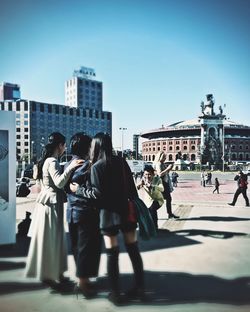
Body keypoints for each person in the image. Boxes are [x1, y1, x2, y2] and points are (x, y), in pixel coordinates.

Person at [70, 133, 145, 305]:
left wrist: (78, 190)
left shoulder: (97, 166)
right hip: (126, 211)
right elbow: (132, 189)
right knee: (133, 250)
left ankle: (116, 294)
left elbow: (96, 194)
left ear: (95, 147)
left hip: (108, 214)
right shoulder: (121, 161)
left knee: (113, 253)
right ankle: (139, 288)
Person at [25, 132, 83, 291]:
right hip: (52, 204)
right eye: (64, 145)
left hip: (47, 203)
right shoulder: (52, 161)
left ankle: (53, 273)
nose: (65, 148)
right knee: (54, 240)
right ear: (60, 145)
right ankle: (53, 275)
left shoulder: (47, 161)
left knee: (50, 240)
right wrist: (70, 167)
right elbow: (59, 182)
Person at [64, 133, 102, 298]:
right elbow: (93, 191)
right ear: (88, 148)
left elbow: (64, 187)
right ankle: (83, 284)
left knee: (76, 247)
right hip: (86, 213)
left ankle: (82, 280)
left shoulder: (67, 164)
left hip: (71, 213)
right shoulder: (88, 166)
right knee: (86, 248)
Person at [137, 165, 164, 230]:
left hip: (158, 200)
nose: (147, 176)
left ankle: (155, 227)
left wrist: (152, 186)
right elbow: (137, 188)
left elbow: (162, 189)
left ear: (153, 174)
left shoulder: (158, 179)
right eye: (146, 174)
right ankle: (147, 226)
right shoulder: (143, 179)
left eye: (149, 174)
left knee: (152, 209)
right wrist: (140, 184)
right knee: (147, 213)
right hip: (148, 201)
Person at [154, 151, 179, 219]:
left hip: (165, 183)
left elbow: (165, 173)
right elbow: (160, 174)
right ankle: (151, 210)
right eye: (163, 157)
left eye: (165, 157)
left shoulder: (162, 163)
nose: (165, 158)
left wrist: (169, 169)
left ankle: (169, 214)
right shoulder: (158, 164)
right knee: (161, 200)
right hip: (162, 183)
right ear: (160, 157)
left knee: (167, 199)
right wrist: (168, 169)